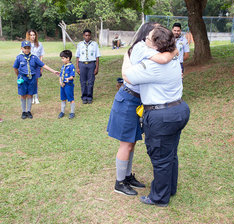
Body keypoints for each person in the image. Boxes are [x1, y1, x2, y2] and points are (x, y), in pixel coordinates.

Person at [107, 22, 178, 196]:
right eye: (155, 32)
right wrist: (173, 52)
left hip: (138, 101)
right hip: (128, 98)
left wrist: (174, 51)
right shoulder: (139, 48)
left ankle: (127, 175)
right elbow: (164, 58)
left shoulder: (150, 50)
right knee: (126, 143)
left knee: (131, 142)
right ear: (148, 35)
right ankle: (120, 182)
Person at [123, 26, 190, 206]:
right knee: (170, 153)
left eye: (149, 39)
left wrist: (127, 59)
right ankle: (170, 188)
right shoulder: (173, 57)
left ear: (156, 45)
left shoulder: (152, 65)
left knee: (160, 157)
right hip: (179, 109)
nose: (145, 41)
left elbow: (127, 76)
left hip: (162, 116)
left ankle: (159, 197)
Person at [13, 41, 59, 119]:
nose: (27, 50)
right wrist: (19, 76)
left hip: (32, 78)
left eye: (28, 48)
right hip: (23, 78)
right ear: (21, 48)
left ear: (30, 48)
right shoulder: (19, 57)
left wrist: (53, 71)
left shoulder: (34, 57)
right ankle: (24, 111)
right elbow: (15, 68)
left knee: (30, 94)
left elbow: (43, 65)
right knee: (23, 95)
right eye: (25, 48)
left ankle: (28, 111)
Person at [76, 29, 101, 104]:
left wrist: (96, 67)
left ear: (91, 36)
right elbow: (77, 56)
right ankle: (84, 97)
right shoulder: (80, 44)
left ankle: (89, 97)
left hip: (91, 64)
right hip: (82, 64)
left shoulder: (95, 44)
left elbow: (97, 56)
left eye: (89, 35)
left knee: (90, 81)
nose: (87, 37)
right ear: (83, 36)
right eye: (86, 35)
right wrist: (77, 67)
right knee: (83, 82)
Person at [26, 29, 45, 104]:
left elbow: (41, 56)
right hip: (28, 65)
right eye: (31, 35)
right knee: (30, 81)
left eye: (34, 35)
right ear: (28, 36)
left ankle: (36, 97)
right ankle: (30, 97)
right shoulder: (26, 44)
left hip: (37, 65)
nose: (33, 36)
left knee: (35, 81)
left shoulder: (39, 44)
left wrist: (41, 66)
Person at [58, 50, 76, 119]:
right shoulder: (63, 66)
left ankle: (72, 112)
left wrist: (68, 79)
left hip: (68, 85)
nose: (62, 60)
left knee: (71, 98)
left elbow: (72, 76)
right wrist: (60, 82)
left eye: (63, 58)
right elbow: (60, 75)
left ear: (68, 58)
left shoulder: (71, 66)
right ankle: (62, 112)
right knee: (63, 98)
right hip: (62, 85)